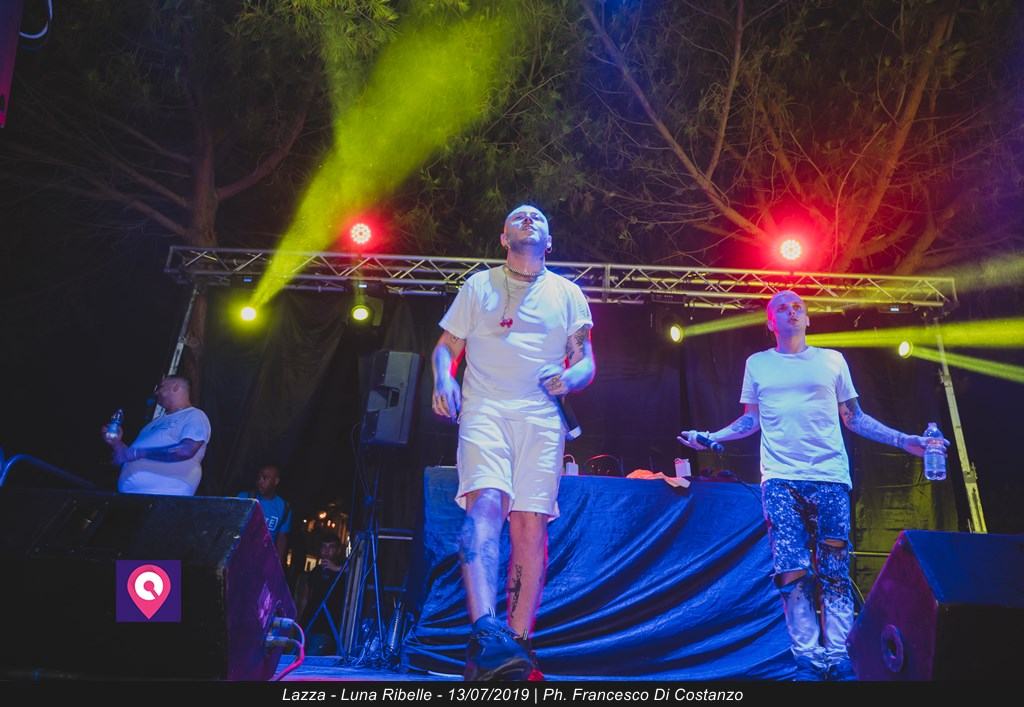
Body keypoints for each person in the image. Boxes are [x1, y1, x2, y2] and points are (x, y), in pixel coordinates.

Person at [678, 290, 948, 682]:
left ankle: (838, 655)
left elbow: (854, 417)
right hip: (780, 479)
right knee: (791, 569)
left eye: (798, 307)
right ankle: (807, 657)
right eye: (782, 308)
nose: (791, 311)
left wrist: (904, 440)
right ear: (770, 322)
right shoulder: (758, 364)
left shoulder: (831, 360)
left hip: (829, 477)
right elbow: (751, 420)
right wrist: (711, 435)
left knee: (835, 567)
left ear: (807, 318)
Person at [432, 204, 596, 681]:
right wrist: (443, 379)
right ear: (503, 238)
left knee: (530, 523)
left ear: (550, 242)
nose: (528, 218)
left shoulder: (567, 293)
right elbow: (446, 348)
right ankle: (486, 634)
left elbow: (586, 362)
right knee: (486, 503)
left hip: (542, 419)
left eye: (537, 217)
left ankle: (518, 647)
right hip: (485, 409)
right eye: (518, 217)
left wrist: (569, 378)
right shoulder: (478, 286)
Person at [103, 375, 211, 496]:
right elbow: (125, 457)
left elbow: (185, 451)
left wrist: (139, 453)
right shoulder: (153, 423)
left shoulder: (194, 415)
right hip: (130, 496)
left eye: (161, 387)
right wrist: (116, 443)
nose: (156, 392)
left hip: (165, 495)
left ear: (175, 387)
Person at [294, 534, 345, 656]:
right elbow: (305, 598)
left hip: (327, 628)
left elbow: (355, 576)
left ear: (338, 550)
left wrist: (337, 569)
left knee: (313, 657)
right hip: (308, 625)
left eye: (331, 547)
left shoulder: (344, 572)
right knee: (297, 657)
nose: (327, 551)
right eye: (324, 547)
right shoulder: (316, 571)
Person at [238, 465, 292, 565]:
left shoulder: (284, 508)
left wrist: (277, 563)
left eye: (265, 478)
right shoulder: (244, 498)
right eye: (259, 477)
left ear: (276, 481)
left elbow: (282, 537)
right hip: (240, 558)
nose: (260, 481)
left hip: (263, 562)